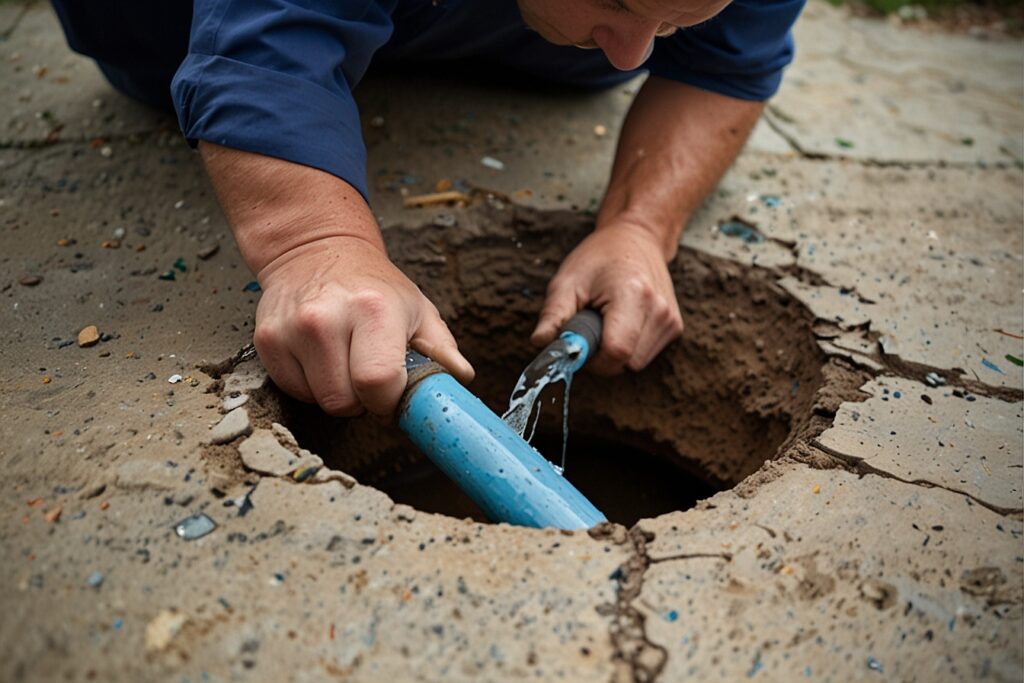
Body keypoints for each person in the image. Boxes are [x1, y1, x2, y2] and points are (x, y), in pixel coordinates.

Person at [53, 0, 805, 417]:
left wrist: (641, 224)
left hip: (515, 33)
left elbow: (727, 61)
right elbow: (263, 55)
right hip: (169, 22)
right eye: (619, 0)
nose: (634, 56)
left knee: (595, 49)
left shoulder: (624, 35)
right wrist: (316, 244)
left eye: (671, 22)